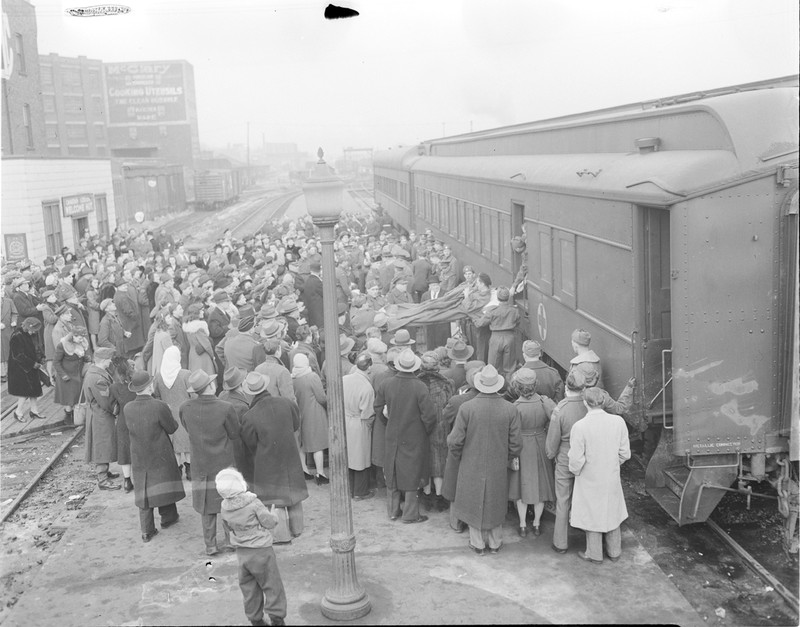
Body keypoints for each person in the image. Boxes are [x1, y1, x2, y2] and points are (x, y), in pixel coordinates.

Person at [447, 365, 522, 555]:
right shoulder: (510, 409)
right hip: (498, 464)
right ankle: (496, 543)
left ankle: (478, 543)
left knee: (473, 501)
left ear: (479, 384)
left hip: (471, 462)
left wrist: (460, 456)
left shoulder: (467, 408)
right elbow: (516, 443)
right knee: (495, 501)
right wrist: (507, 457)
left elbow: (455, 441)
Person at [240, 372, 309, 540]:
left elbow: (249, 442)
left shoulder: (249, 416)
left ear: (250, 392)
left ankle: (281, 536)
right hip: (289, 455)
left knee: (275, 499)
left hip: (267, 461)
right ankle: (297, 528)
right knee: (294, 495)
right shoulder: (286, 403)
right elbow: (295, 424)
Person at [216, 468, 287, 627]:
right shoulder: (253, 503)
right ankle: (277, 618)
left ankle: (255, 620)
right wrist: (273, 514)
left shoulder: (224, 507)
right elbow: (268, 522)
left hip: (242, 553)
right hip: (262, 550)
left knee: (249, 589)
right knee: (272, 584)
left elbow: (227, 528)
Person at [180, 369, 240, 555]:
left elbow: (187, 427)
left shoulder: (185, 408)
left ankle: (211, 545)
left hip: (200, 463)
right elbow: (234, 433)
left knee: (206, 506)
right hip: (223, 462)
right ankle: (230, 541)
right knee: (228, 500)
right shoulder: (225, 407)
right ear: (211, 386)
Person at [568, 386, 631, 564]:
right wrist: (611, 464)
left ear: (585, 403)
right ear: (604, 402)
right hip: (610, 475)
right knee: (612, 511)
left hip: (589, 477)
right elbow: (625, 454)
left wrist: (577, 472)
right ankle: (614, 551)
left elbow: (575, 459)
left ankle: (594, 553)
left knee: (592, 513)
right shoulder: (618, 422)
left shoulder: (580, 427)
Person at [373, 348, 436, 524]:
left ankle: (393, 511)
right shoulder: (420, 386)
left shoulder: (387, 384)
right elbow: (429, 416)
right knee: (412, 473)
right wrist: (425, 430)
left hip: (392, 433)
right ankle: (410, 514)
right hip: (415, 436)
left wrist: (388, 422)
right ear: (414, 367)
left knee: (392, 470)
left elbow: (378, 408)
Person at [123, 370, 185, 542]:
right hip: (160, 451)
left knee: (143, 489)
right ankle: (168, 517)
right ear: (150, 386)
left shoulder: (128, 408)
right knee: (163, 481)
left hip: (139, 454)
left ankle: (147, 530)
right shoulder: (159, 406)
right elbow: (171, 428)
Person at [508, 368, 556, 538]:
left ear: (517, 387)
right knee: (540, 486)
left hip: (522, 447)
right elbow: (556, 420)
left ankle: (522, 525)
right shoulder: (545, 402)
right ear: (535, 385)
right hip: (540, 443)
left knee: (521, 487)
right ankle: (536, 524)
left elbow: (511, 432)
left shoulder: (515, 407)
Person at [545, 370, 588, 554]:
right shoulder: (590, 406)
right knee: (587, 497)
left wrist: (550, 454)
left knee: (562, 499)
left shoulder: (560, 409)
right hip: (586, 457)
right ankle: (590, 540)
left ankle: (560, 543)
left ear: (566, 385)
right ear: (584, 387)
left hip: (565, 457)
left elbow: (552, 442)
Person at [441, 362, 484, 532]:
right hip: (479, 450)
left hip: (458, 448)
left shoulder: (457, 400)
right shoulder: (498, 401)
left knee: (455, 486)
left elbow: (446, 417)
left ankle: (457, 522)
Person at [416, 351, 455, 511]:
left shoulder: (417, 383)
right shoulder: (447, 383)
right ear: (438, 366)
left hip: (422, 426)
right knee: (439, 460)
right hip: (441, 426)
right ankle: (439, 496)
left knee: (425, 459)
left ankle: (426, 495)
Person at [82, 347, 121, 490]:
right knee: (102, 445)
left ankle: (105, 472)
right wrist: (117, 409)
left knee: (105, 444)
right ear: (103, 360)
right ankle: (102, 479)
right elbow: (106, 401)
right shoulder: (97, 378)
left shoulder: (95, 373)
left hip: (99, 415)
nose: (110, 361)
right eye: (109, 359)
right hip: (101, 416)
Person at [154, 346, 193, 481]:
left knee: (173, 442)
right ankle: (189, 468)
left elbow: (157, 396)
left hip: (168, 413)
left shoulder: (159, 376)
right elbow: (192, 393)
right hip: (185, 412)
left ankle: (177, 469)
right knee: (186, 441)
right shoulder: (185, 374)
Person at [290, 353, 329, 484]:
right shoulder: (312, 376)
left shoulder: (293, 377)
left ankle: (305, 470)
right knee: (317, 445)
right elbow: (322, 398)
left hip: (300, 411)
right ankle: (320, 473)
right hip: (314, 412)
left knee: (302, 443)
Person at [342, 353, 375, 500]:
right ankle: (360, 491)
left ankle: (349, 489)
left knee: (348, 455)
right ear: (369, 367)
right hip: (358, 422)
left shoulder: (344, 379)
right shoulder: (367, 387)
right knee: (360, 457)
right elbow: (367, 412)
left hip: (344, 419)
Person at [219, 367, 254, 484]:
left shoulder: (223, 395)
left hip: (224, 449)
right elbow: (246, 434)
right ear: (241, 383)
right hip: (239, 452)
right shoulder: (241, 406)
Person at [8, 317, 46, 422]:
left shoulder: (30, 333)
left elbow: (36, 347)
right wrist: (33, 364)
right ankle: (18, 412)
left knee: (35, 389)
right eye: (33, 330)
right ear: (28, 327)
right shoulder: (17, 336)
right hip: (20, 368)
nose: (34, 332)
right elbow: (18, 355)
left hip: (30, 366)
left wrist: (41, 357)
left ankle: (34, 411)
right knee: (24, 392)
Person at [476, 286, 519, 377]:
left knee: (493, 366)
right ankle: (509, 386)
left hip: (495, 338)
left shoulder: (492, 311)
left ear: (498, 298)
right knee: (509, 368)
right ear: (508, 298)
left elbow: (480, 323)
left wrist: (475, 318)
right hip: (510, 338)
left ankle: (493, 387)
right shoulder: (514, 310)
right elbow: (517, 322)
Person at [109, 355, 136, 493]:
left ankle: (127, 482)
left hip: (122, 422)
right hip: (137, 419)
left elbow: (111, 406)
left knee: (125, 452)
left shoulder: (114, 387)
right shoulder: (135, 384)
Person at [53, 326, 91, 424]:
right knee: (68, 397)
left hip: (78, 373)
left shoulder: (81, 343)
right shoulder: (63, 345)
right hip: (67, 375)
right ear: (73, 336)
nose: (82, 339)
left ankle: (77, 416)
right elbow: (56, 362)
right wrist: (63, 374)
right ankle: (68, 417)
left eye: (83, 337)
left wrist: (86, 358)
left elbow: (80, 358)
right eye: (79, 337)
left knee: (78, 395)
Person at [1, 283, 19, 383]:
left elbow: (14, 313)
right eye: (1, 291)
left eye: (3, 291)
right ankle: (2, 374)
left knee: (9, 351)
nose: (2, 293)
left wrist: (14, 321)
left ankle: (10, 371)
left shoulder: (9, 301)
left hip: (8, 330)